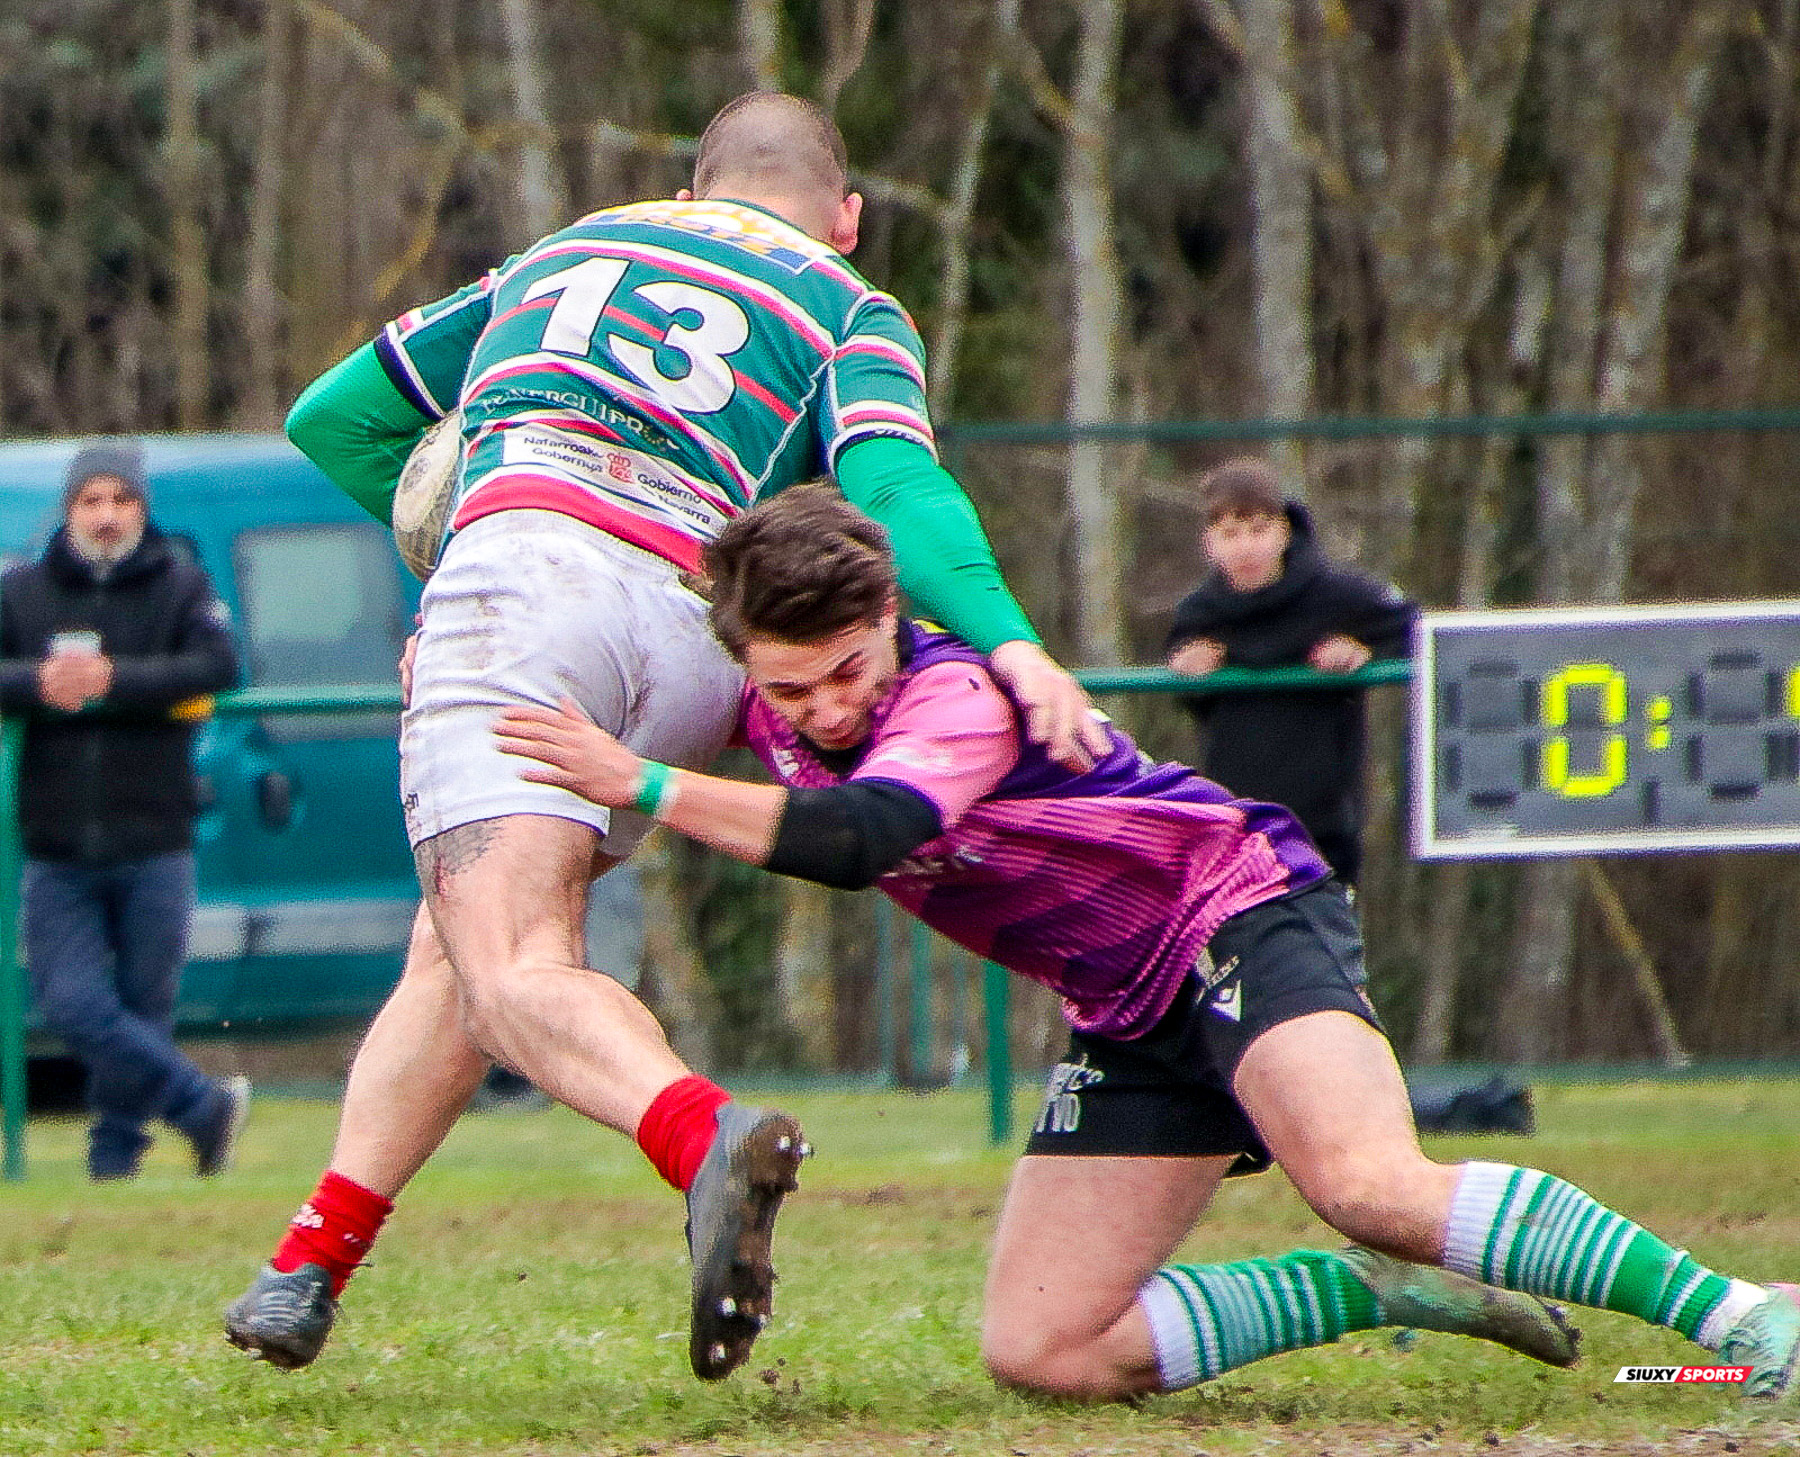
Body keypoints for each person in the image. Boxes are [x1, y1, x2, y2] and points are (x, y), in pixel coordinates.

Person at [494, 486, 1800, 1404]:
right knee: (1048, 1347)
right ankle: (1366, 1293)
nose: (832, 705)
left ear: (891, 618)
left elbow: (861, 834)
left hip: (1234, 906)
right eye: (795, 688)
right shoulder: (752, 685)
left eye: (851, 666)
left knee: (1367, 1177)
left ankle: (1746, 1316)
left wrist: (644, 784)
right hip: (1126, 1005)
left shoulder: (956, 691)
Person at [223, 91, 1106, 1383]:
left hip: (527, 587)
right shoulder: (847, 303)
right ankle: (309, 1262)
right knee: (464, 945)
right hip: (699, 632)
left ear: (689, 191)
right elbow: (895, 486)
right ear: (845, 216)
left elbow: (333, 420)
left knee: (514, 954)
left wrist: (472, 550)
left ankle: (706, 1142)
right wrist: (1014, 639)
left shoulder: (567, 252)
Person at [0, 442, 247, 1181]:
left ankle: (115, 1162)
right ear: (69, 510)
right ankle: (200, 1103)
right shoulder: (22, 593)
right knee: (72, 1003)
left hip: (156, 833)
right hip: (56, 844)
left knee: (144, 1008)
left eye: (121, 500)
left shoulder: (181, 585)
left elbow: (219, 666)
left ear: (142, 508)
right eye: (91, 501)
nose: (106, 516)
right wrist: (38, 681)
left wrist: (116, 680)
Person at [1164, 457, 1416, 887]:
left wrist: (1363, 651)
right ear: (1210, 544)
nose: (1245, 548)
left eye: (1258, 531)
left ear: (1283, 532)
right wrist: (1188, 670)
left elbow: (1414, 628)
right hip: (1235, 829)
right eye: (1230, 535)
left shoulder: (1337, 595)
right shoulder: (1198, 614)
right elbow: (1189, 696)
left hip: (1325, 829)